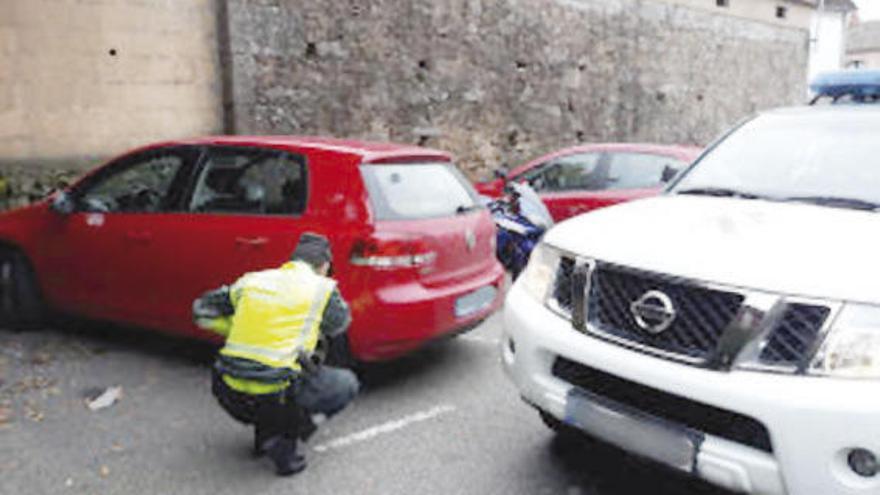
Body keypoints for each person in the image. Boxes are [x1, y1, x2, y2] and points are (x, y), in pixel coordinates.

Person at [193, 232, 359, 476]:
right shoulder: (322, 289)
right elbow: (339, 324)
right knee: (345, 384)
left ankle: (265, 437)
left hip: (227, 390)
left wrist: (239, 329)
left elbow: (202, 311)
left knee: (269, 377)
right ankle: (285, 443)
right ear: (324, 265)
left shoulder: (252, 281)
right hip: (276, 392)